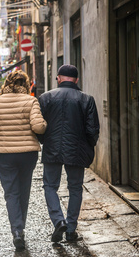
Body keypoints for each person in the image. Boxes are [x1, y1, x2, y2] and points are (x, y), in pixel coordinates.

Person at [38, 65, 100, 243]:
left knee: (50, 186)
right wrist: (88, 147)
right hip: (77, 150)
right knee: (75, 188)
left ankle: (58, 221)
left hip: (52, 149)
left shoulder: (45, 98)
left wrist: (45, 141)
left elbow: (38, 126)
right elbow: (92, 130)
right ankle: (71, 229)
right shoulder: (87, 99)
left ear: (58, 78)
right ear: (77, 80)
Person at [0, 70, 47, 251]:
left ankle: (17, 231)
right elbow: (38, 126)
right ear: (25, 84)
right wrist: (44, 125)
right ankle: (21, 227)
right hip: (27, 153)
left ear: (7, 83)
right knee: (24, 190)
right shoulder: (31, 101)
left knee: (11, 193)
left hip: (5, 154)